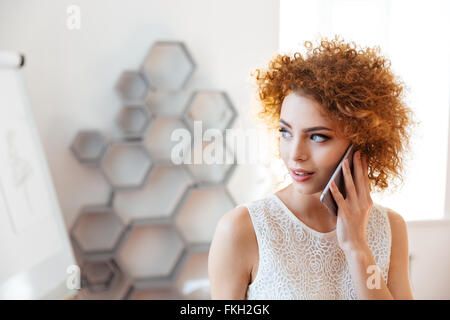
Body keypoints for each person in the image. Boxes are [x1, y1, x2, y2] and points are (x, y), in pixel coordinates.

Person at [208, 35, 417, 300]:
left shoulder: (390, 228)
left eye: (318, 136)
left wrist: (357, 248)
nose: (295, 154)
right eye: (285, 132)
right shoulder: (240, 230)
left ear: (360, 141)